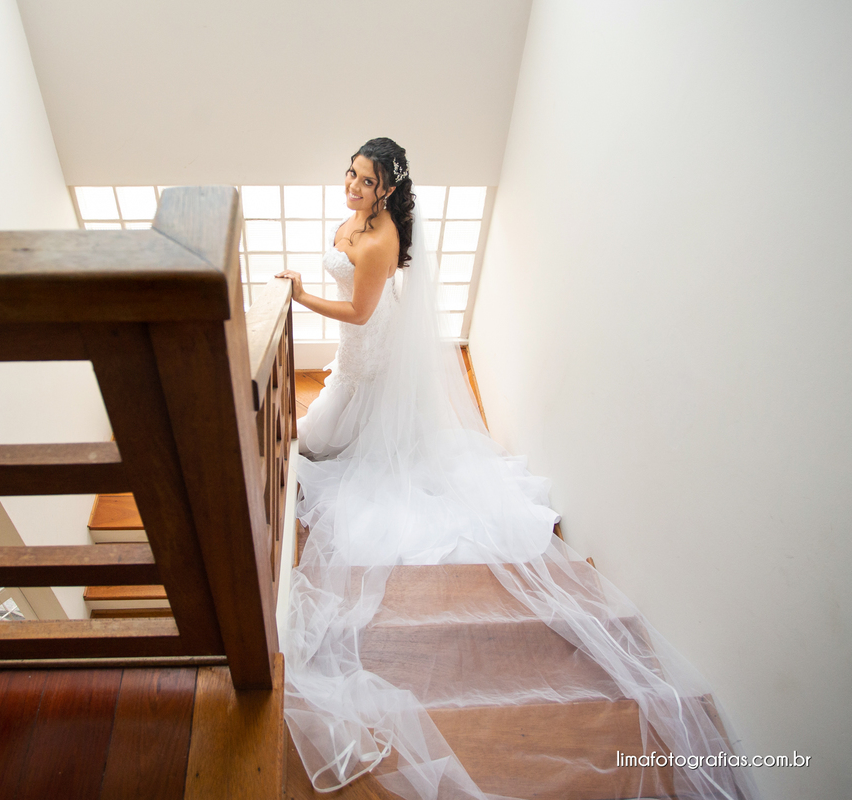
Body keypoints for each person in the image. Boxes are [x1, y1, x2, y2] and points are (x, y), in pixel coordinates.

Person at [272, 138, 760, 800]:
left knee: (321, 441)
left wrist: (301, 295)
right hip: (362, 343)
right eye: (350, 175)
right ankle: (344, 436)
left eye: (364, 181)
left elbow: (360, 311)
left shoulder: (381, 240)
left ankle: (354, 443)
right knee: (325, 432)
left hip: (366, 340)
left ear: (387, 191)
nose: (352, 187)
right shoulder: (360, 221)